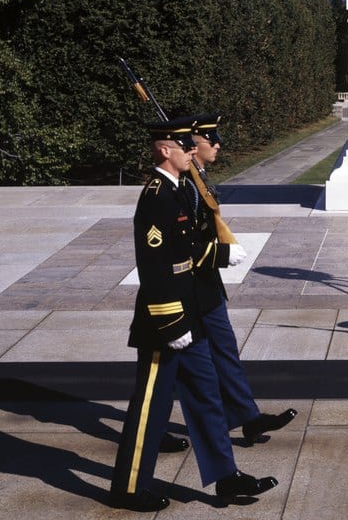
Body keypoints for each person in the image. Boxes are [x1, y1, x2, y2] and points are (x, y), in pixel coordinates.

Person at [110, 118, 277, 512]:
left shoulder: (180, 190)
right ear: (164, 150)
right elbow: (155, 266)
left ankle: (225, 478)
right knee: (149, 408)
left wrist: (215, 257)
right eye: (184, 147)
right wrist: (172, 323)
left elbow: (189, 246)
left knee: (205, 397)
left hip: (193, 312)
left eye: (192, 146)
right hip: (164, 322)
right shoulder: (156, 197)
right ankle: (128, 489)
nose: (192, 151)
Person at [185, 113, 297, 442]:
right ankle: (148, 429)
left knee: (224, 350)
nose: (218, 144)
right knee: (169, 369)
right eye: (211, 139)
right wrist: (219, 254)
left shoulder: (198, 178)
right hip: (187, 285)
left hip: (205, 284)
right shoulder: (184, 184)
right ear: (193, 145)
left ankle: (248, 417)